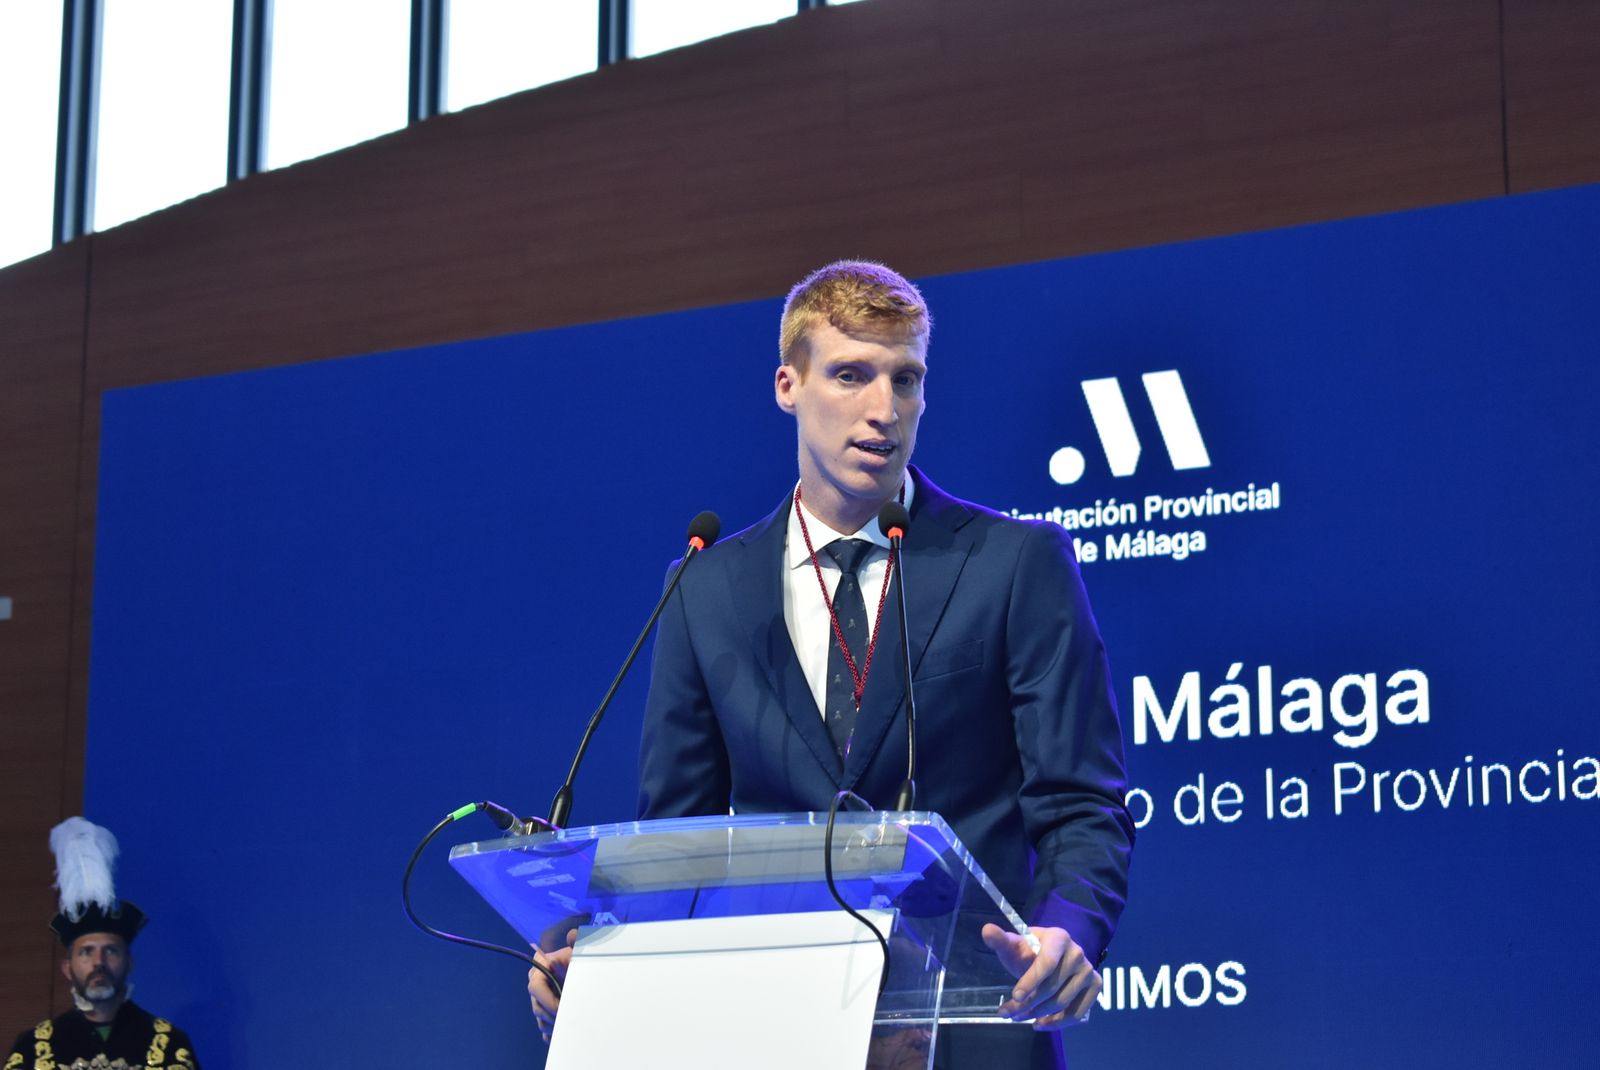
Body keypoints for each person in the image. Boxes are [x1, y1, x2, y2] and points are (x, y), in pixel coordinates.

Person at [529, 261, 1134, 1067]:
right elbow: (679, 842)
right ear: (789, 384)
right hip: (775, 1032)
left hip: (969, 1032)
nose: (884, 411)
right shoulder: (704, 589)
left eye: (906, 380)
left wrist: (1066, 929)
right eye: (851, 375)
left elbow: (1080, 804)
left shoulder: (1016, 563)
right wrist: (603, 961)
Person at [8, 818, 200, 1070]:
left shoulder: (169, 1046)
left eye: (110, 951)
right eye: (86, 952)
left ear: (129, 962)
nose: (98, 962)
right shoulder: (34, 1048)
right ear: (68, 967)